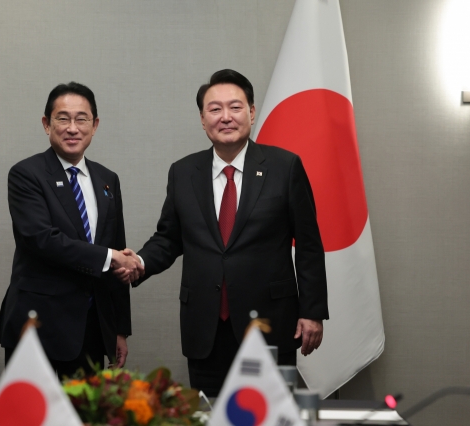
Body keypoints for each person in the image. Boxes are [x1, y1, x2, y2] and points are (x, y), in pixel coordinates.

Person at [121, 69, 329, 396]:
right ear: (203, 120)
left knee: (272, 417)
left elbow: (309, 245)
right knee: (211, 415)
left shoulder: (285, 167)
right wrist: (140, 262)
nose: (226, 117)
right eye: (215, 109)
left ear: (252, 112)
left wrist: (312, 312)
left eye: (235, 107)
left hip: (271, 322)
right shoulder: (184, 172)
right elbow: (168, 238)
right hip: (206, 327)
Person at [0, 82, 140, 378]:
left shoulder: (106, 179)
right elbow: (42, 239)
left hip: (90, 328)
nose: (72, 128)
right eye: (63, 118)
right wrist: (111, 256)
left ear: (94, 125)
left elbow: (117, 250)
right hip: (36, 326)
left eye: (81, 119)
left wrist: (119, 329)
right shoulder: (26, 174)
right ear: (47, 124)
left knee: (83, 418)